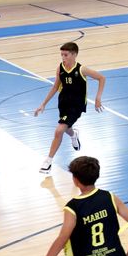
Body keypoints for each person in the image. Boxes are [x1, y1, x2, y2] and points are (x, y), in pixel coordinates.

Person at [33, 42, 106, 175]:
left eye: (65, 55)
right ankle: (74, 134)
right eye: (61, 55)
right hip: (63, 103)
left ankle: (48, 162)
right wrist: (43, 104)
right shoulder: (60, 68)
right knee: (65, 127)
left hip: (76, 106)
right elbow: (55, 87)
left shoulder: (81, 69)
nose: (63, 57)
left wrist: (98, 98)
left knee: (59, 130)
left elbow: (102, 78)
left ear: (74, 55)